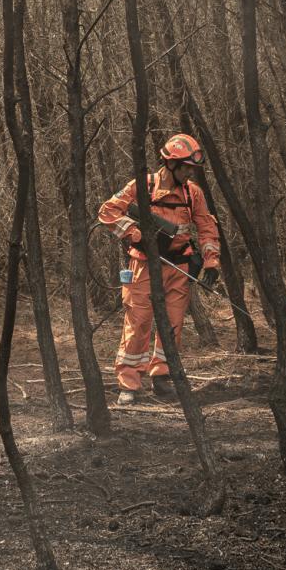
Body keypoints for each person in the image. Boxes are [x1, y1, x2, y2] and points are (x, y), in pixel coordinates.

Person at [97, 133, 222, 406]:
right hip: (143, 266)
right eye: (186, 167)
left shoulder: (193, 193)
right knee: (138, 323)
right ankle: (128, 383)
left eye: (192, 168)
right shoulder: (143, 186)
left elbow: (207, 228)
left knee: (172, 326)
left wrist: (212, 261)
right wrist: (134, 233)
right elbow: (107, 211)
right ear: (171, 164)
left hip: (179, 266)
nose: (190, 172)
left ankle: (162, 379)